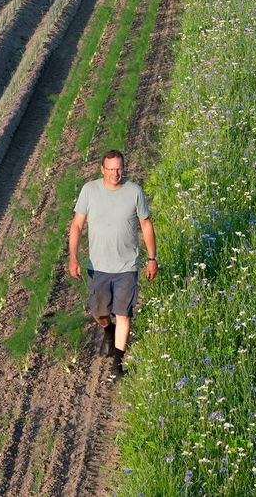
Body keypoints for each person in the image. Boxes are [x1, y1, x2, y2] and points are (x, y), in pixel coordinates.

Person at [67, 149, 157, 380]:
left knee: (123, 314)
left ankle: (117, 366)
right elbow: (77, 225)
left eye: (119, 169)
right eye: (110, 169)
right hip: (98, 267)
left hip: (126, 266)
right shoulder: (89, 190)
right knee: (99, 312)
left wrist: (152, 259)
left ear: (123, 168)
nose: (115, 174)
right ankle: (108, 329)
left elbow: (146, 225)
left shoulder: (134, 191)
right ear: (102, 170)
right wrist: (73, 257)